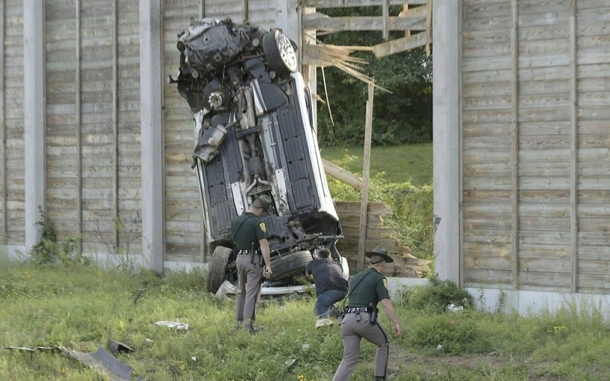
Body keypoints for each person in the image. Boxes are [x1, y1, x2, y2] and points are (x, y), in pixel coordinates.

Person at [333, 246, 402, 381]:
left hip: (347, 321)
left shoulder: (357, 276)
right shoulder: (379, 278)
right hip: (363, 319)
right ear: (384, 263)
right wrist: (396, 322)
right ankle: (379, 378)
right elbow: (385, 302)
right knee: (383, 343)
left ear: (370, 262)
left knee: (348, 360)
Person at [232, 195, 273, 333]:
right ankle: (248, 327)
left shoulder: (237, 220)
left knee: (241, 291)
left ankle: (238, 322)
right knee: (252, 293)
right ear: (261, 209)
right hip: (253, 260)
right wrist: (268, 265)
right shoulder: (258, 223)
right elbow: (264, 244)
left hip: (239, 258)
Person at [306, 248, 349, 327]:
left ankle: (335, 313)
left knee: (317, 313)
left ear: (318, 256)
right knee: (327, 305)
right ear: (330, 257)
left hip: (328, 292)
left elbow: (308, 275)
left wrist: (313, 277)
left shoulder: (312, 263)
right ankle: (340, 317)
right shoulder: (336, 264)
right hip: (344, 291)